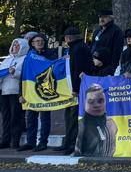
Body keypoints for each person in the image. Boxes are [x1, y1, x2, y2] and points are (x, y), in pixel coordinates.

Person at [60, 26, 94, 155]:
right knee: (70, 115)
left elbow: (76, 70)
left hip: (77, 88)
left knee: (73, 117)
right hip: (78, 86)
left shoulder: (77, 49)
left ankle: (71, 144)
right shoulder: (79, 47)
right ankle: (68, 142)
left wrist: (75, 88)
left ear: (68, 38)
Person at [21, 32, 57, 152]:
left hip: (45, 90)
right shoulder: (28, 57)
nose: (40, 43)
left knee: (45, 118)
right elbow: (23, 75)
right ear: (32, 43)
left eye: (41, 41)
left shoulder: (51, 55)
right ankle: (30, 142)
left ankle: (43, 142)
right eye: (37, 41)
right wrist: (21, 94)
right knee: (31, 117)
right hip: (31, 91)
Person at [75, 82, 117, 157]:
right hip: (88, 165)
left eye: (100, 101)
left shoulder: (111, 123)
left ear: (105, 102)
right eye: (91, 102)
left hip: (108, 165)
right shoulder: (81, 125)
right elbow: (77, 152)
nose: (96, 105)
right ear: (85, 103)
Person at [1, 36, 28, 149]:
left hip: (16, 91)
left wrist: (14, 72)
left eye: (17, 45)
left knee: (15, 117)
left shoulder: (25, 59)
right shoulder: (7, 59)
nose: (14, 47)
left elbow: (25, 74)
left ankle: (15, 140)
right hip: (4, 91)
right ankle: (5, 139)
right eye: (13, 44)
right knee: (5, 117)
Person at [91, 9, 124, 76]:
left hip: (107, 69)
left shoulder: (116, 31)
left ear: (111, 18)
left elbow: (116, 52)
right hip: (94, 66)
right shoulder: (97, 31)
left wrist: (111, 69)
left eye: (104, 17)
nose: (101, 19)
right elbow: (92, 47)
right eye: (100, 17)